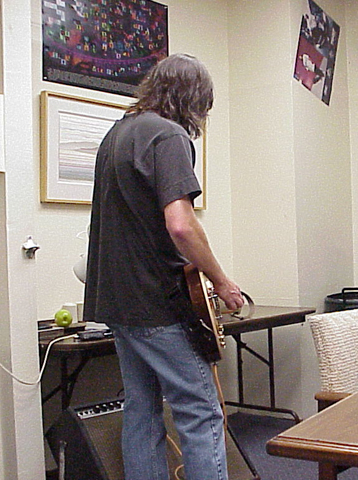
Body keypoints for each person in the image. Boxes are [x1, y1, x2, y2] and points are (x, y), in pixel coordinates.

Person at [83, 53, 244, 480]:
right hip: (156, 303)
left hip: (116, 303)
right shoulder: (169, 135)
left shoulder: (117, 133)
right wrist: (221, 281)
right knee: (201, 411)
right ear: (194, 99)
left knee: (141, 409)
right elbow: (181, 225)